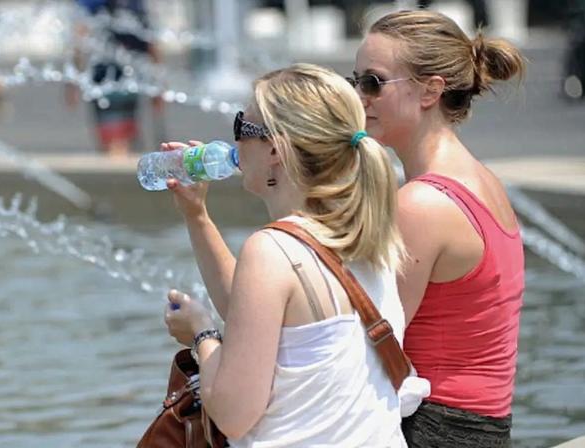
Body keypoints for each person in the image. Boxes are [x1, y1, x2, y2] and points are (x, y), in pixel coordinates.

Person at [162, 63, 408, 446]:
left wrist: (201, 332)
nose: (234, 141)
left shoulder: (272, 251)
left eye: (242, 126)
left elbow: (233, 414)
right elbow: (253, 315)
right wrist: (197, 216)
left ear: (275, 148)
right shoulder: (368, 234)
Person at [352, 10, 525, 447]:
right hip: (476, 429)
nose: (358, 97)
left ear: (430, 90)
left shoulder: (421, 204)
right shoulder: (479, 180)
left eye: (372, 82)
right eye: (355, 81)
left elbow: (362, 343)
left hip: (433, 429)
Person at [65, 0, 159, 157]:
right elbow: (151, 44)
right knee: (125, 140)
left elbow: (79, 41)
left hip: (104, 82)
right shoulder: (134, 5)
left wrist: (71, 82)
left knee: (112, 144)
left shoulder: (91, 4)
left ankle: (119, 163)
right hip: (130, 80)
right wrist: (157, 86)